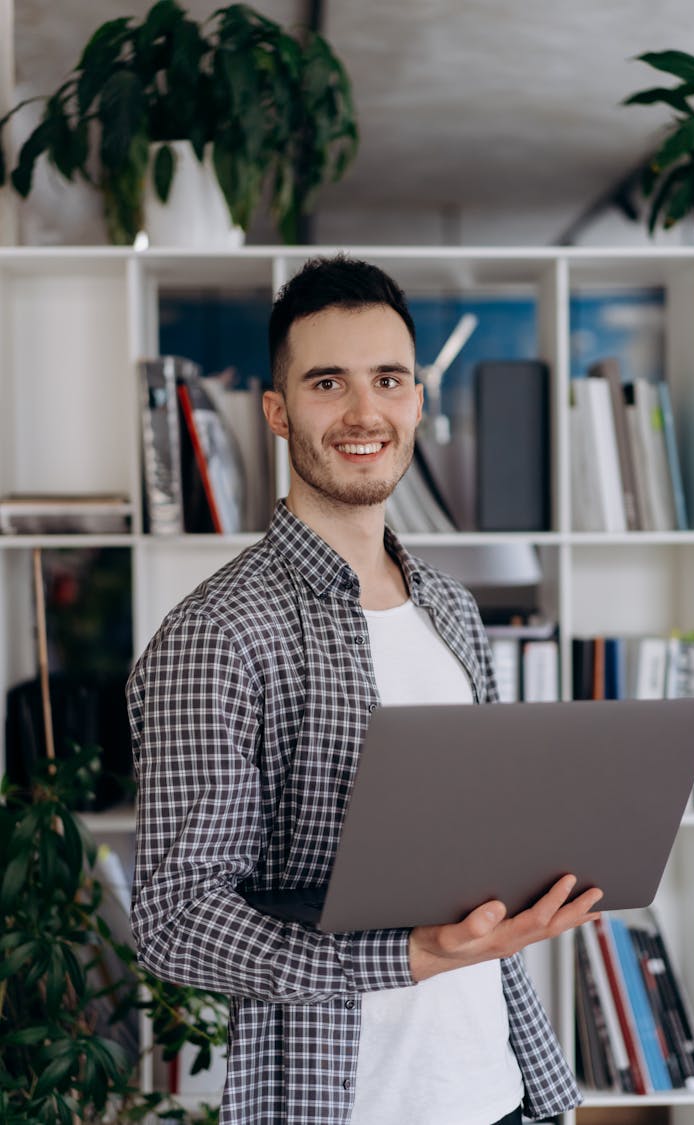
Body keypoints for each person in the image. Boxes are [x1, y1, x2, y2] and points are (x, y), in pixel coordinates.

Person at [128, 255, 603, 1125]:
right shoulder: (217, 633)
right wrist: (406, 954)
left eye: (388, 379)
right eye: (326, 383)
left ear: (417, 400)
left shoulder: (454, 610)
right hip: (343, 1103)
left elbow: (483, 848)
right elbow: (175, 916)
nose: (363, 413)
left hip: (501, 1088)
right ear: (277, 412)